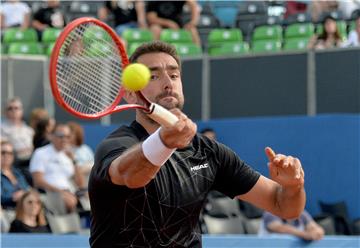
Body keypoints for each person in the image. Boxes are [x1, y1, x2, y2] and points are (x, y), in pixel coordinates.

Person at [88, 41, 306, 247]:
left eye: (174, 75)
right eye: (152, 76)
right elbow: (130, 176)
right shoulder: (117, 145)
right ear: (130, 95)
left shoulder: (208, 151)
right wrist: (164, 142)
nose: (167, 83)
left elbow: (284, 207)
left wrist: (293, 187)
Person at [30, 123, 85, 213]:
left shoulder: (68, 155)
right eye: (61, 136)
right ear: (51, 136)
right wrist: (61, 192)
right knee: (70, 201)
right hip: (49, 193)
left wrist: (74, 161)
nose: (64, 140)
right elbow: (38, 181)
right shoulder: (41, 153)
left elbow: (80, 184)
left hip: (69, 193)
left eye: (68, 136)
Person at [1, 97, 34, 164]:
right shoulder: (1, 128)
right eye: (10, 108)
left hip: (30, 162)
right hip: (12, 164)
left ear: (21, 111)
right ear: (5, 111)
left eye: (16, 108)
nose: (13, 111)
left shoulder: (29, 130)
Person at [259, 210, 325, 241]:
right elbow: (279, 228)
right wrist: (305, 235)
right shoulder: (271, 212)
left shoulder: (302, 213)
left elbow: (317, 229)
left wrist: (316, 233)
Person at [1, 140, 30, 209]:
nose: (7, 156)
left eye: (10, 153)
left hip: (24, 208)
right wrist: (12, 197)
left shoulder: (17, 172)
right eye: (3, 152)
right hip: (7, 210)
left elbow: (26, 188)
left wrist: (24, 194)